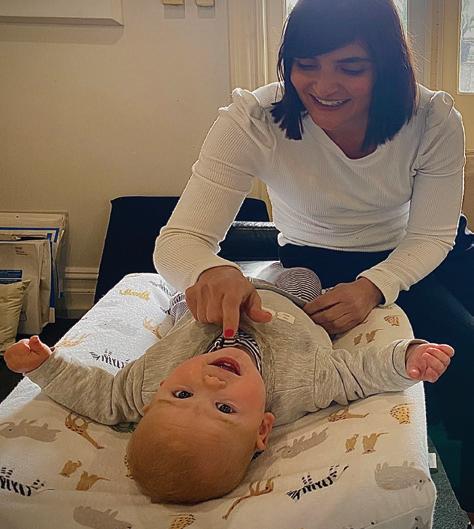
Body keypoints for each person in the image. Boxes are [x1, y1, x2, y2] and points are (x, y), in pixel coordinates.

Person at [153, 0, 473, 515]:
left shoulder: (432, 118)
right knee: (463, 352)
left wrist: (373, 286)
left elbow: (432, 235)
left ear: (386, 65)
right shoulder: (253, 119)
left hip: (423, 253)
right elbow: (179, 240)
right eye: (307, 65)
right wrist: (212, 269)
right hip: (317, 260)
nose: (325, 86)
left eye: (351, 67)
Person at [4, 267, 453, 505]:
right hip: (291, 306)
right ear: (263, 428)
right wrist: (408, 356)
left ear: (153, 400)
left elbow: (99, 396)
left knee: (185, 296)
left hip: (203, 306)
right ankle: (285, 276)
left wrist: (44, 366)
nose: (210, 382)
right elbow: (361, 371)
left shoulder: (140, 388)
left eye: (181, 395)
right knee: (303, 277)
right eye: (225, 409)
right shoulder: (304, 385)